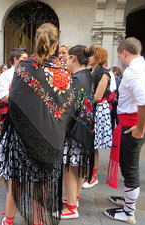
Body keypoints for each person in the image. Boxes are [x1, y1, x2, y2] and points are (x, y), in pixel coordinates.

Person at [0, 23, 74, 225]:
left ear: (36, 41)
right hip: (52, 138)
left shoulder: (23, 68)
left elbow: (14, 103)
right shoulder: (62, 71)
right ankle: (38, 221)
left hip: (23, 136)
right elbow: (68, 104)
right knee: (43, 182)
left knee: (17, 180)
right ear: (55, 45)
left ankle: (8, 220)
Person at [104, 37, 145, 224]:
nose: (120, 59)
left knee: (130, 169)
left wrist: (139, 127)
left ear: (124, 53)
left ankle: (128, 212)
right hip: (138, 123)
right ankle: (128, 201)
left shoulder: (132, 71)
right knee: (129, 166)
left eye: (119, 55)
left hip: (133, 126)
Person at [56, 45, 95, 219]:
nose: (64, 62)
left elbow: (69, 108)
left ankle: (71, 208)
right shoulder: (88, 75)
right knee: (78, 166)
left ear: (73, 58)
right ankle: (74, 198)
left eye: (65, 58)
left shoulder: (76, 79)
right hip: (85, 127)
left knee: (69, 168)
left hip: (74, 129)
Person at [0, 48, 27, 182]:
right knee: (7, 142)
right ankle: (1, 167)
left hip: (27, 116)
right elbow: (4, 96)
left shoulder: (28, 74)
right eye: (24, 58)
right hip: (12, 116)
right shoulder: (6, 75)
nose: (27, 61)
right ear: (15, 60)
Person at [82, 46, 112, 189]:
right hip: (90, 109)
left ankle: (93, 176)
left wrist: (81, 99)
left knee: (93, 144)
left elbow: (97, 96)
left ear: (99, 57)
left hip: (98, 109)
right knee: (89, 143)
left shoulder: (104, 73)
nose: (89, 57)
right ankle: (89, 174)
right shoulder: (89, 71)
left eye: (92, 55)